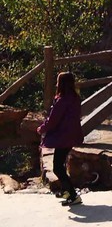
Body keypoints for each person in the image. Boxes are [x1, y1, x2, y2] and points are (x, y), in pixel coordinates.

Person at [38, 71, 84, 206]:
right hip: (73, 134)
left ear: (61, 83)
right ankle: (66, 191)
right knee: (60, 164)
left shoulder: (62, 100)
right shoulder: (75, 98)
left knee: (57, 167)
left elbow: (53, 120)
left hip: (63, 136)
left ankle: (73, 195)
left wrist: (42, 128)